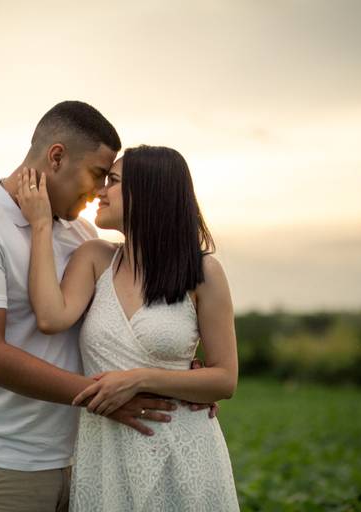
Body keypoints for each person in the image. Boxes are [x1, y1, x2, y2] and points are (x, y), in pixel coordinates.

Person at [0, 101, 214, 512]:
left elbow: (115, 322)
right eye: (99, 174)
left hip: (81, 458)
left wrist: (175, 377)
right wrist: (109, 397)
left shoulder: (81, 234)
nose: (100, 191)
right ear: (57, 156)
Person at [16, 145, 240, 510]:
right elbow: (50, 317)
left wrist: (140, 378)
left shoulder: (204, 274)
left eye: (114, 181)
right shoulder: (94, 258)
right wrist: (41, 225)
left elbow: (225, 379)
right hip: (106, 454)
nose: (100, 191)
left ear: (150, 192)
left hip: (183, 453)